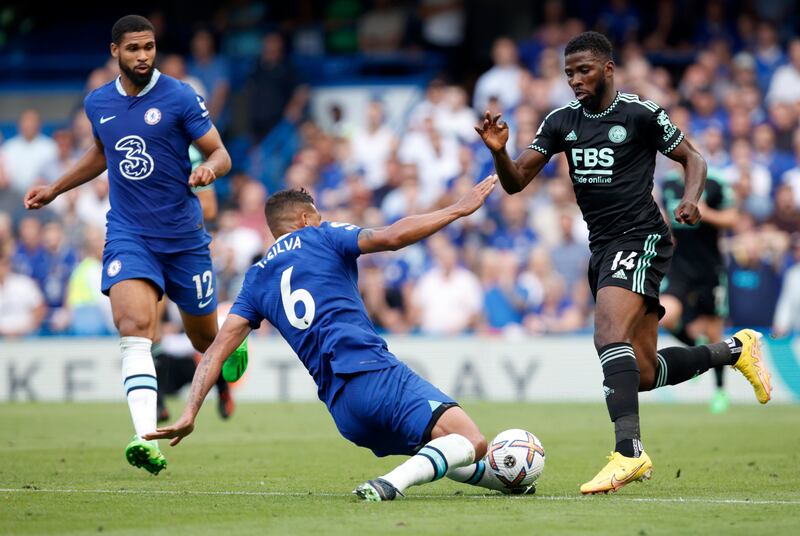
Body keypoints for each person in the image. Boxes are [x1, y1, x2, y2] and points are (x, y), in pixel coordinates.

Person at [474, 31, 772, 495]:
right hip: (603, 248)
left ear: (608, 69)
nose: (574, 79)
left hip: (641, 237)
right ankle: (736, 350)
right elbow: (516, 184)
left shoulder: (640, 113)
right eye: (569, 72)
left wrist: (691, 199)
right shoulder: (560, 122)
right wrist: (498, 153)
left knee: (607, 334)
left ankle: (629, 453)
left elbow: (692, 158)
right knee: (645, 372)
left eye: (584, 70)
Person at [146, 178, 537, 501]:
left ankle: (504, 480)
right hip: (372, 373)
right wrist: (457, 209)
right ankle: (389, 485)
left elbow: (215, 351)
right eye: (317, 214)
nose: (323, 218)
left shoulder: (256, 279)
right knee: (472, 439)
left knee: (441, 443)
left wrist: (190, 412)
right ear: (303, 219)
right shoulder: (322, 236)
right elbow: (391, 237)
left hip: (343, 411)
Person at [23, 14, 247, 475]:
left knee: (202, 337)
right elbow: (103, 153)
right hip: (129, 233)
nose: (143, 56)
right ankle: (146, 438)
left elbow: (220, 151)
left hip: (184, 240)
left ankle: (228, 345)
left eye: (149, 47)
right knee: (134, 327)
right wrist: (56, 188)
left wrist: (210, 170)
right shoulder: (98, 102)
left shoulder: (180, 96)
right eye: (133, 49)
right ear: (115, 52)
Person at [660, 168, 738, 414]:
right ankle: (695, 347)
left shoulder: (715, 183)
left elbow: (732, 219)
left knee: (715, 330)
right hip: (679, 266)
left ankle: (720, 390)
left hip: (709, 268)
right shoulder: (669, 184)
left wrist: (705, 213)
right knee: (665, 314)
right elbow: (666, 219)